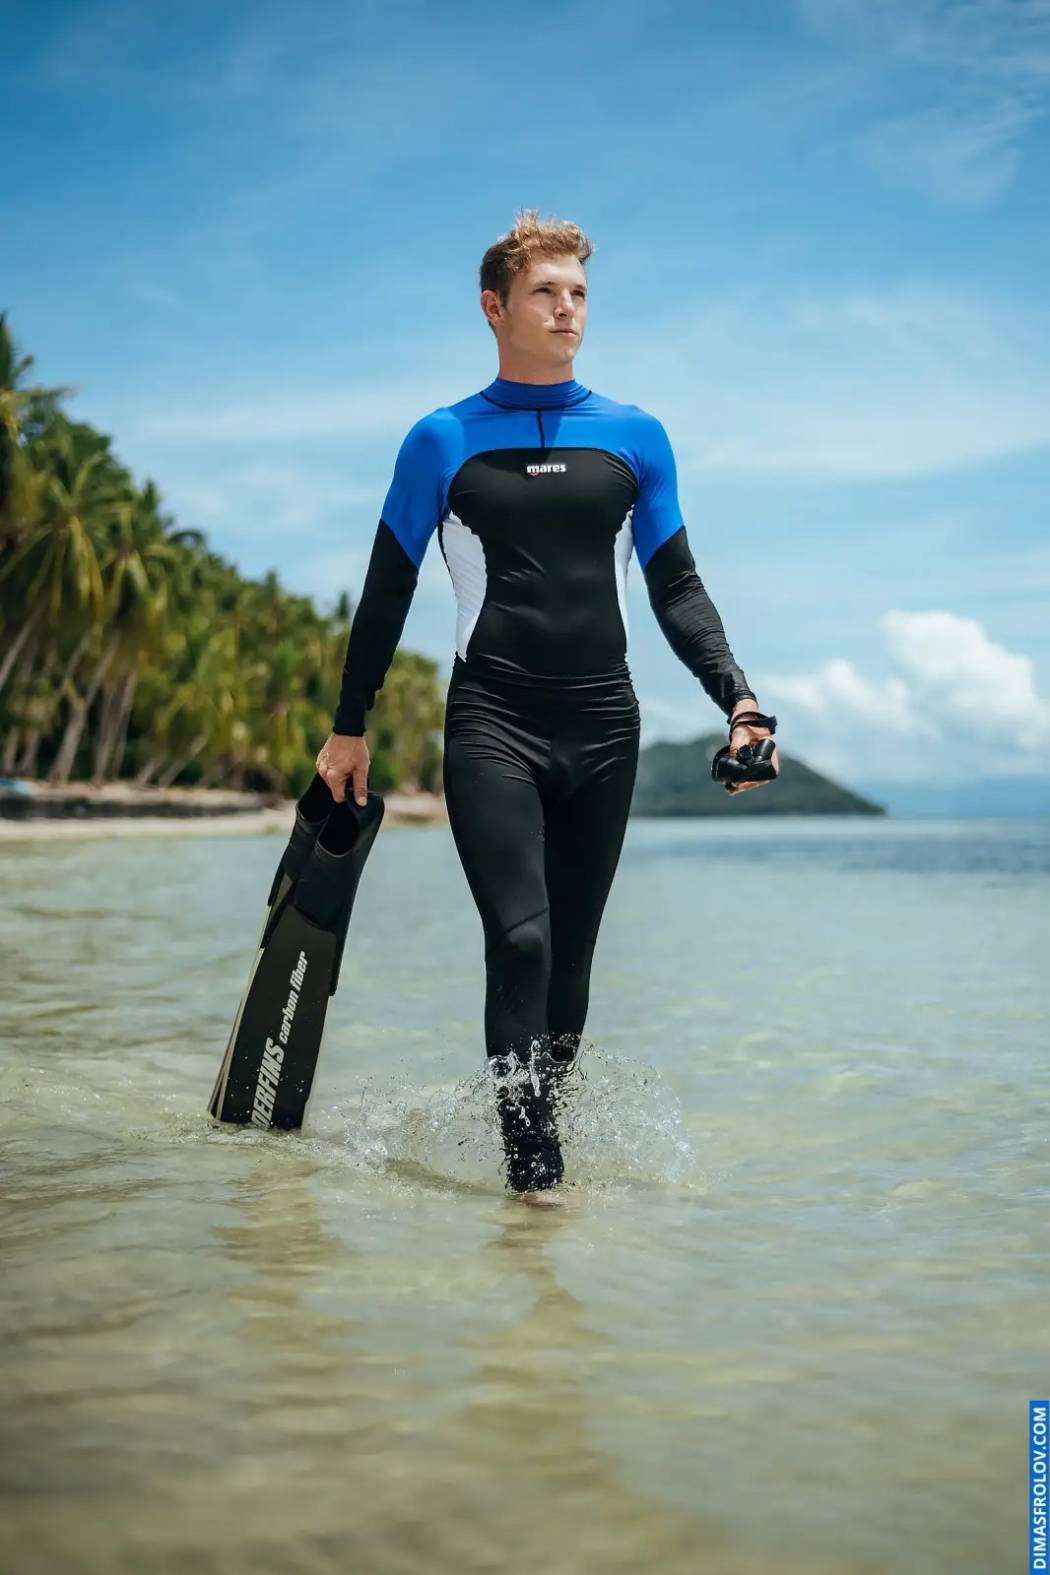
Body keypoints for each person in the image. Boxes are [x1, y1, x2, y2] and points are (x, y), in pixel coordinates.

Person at [314, 208, 779, 1203]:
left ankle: (538, 1141)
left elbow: (677, 586)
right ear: (494, 307)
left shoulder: (634, 437)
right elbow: (387, 590)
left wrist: (740, 700)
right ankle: (535, 1179)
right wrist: (350, 725)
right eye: (546, 293)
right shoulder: (440, 440)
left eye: (578, 294)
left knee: (569, 970)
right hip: (494, 719)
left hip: (605, 724)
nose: (568, 310)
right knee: (519, 939)